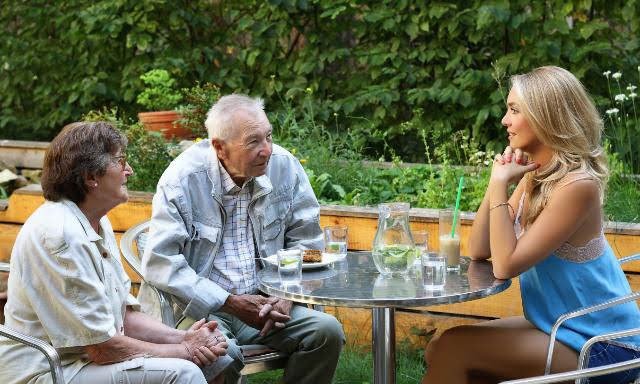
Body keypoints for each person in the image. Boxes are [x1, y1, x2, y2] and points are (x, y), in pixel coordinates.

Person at [422, 66, 640, 384]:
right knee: (439, 347)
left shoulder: (577, 186)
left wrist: (499, 185)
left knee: (455, 350)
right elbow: (480, 249)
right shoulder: (536, 176)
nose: (504, 121)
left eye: (514, 110)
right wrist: (498, 180)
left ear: (544, 116)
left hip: (606, 346)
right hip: (561, 328)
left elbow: (506, 265)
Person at [0, 122, 232, 384]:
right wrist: (183, 351)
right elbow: (102, 348)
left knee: (215, 359)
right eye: (121, 161)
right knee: (185, 370)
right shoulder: (61, 235)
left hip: (85, 360)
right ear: (91, 177)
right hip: (48, 370)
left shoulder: (95, 220)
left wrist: (185, 338)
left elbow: (123, 315)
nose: (129, 170)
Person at [140, 94, 345, 383]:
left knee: (326, 332)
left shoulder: (285, 167)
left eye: (269, 137)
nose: (267, 150)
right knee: (220, 356)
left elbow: (310, 244)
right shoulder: (182, 180)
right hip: (201, 309)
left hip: (267, 304)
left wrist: (285, 294)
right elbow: (161, 263)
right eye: (253, 142)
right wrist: (230, 301)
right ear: (219, 148)